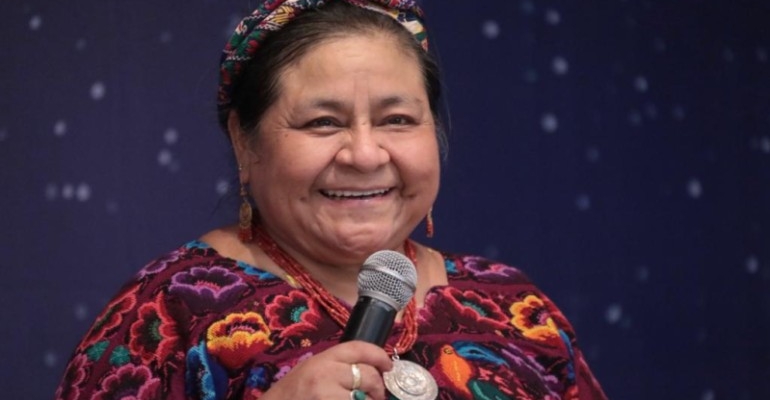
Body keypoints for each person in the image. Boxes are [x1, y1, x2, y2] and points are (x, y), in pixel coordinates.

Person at [55, 1, 607, 399]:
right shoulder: (169, 312)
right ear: (244, 142)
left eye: (397, 120)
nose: (365, 155)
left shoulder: (516, 310)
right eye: (323, 122)